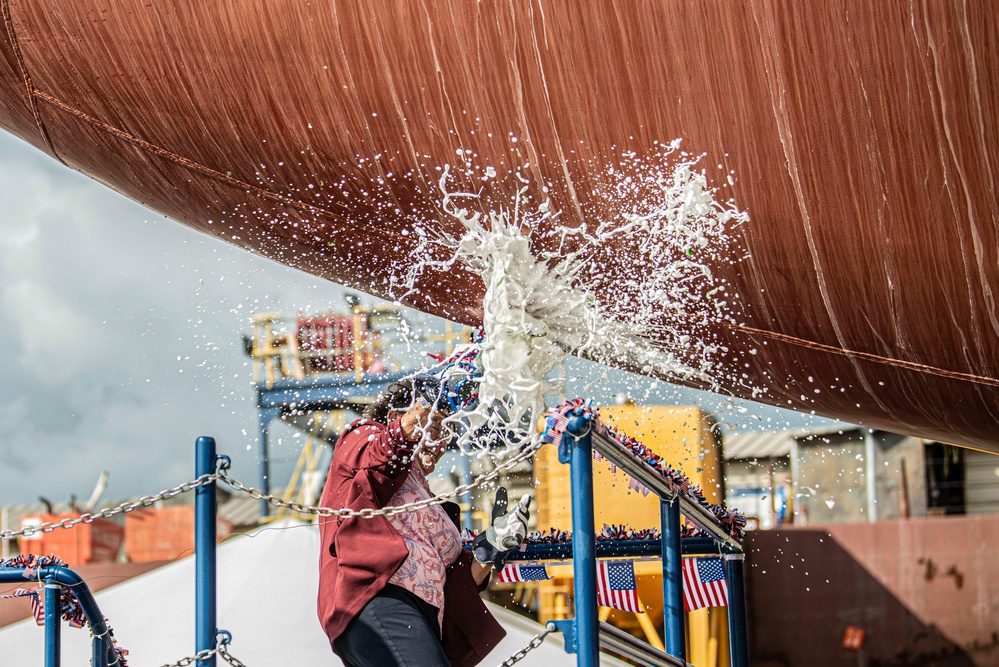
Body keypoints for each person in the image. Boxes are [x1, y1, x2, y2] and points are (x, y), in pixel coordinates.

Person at [317, 378, 532, 667]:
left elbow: (454, 579)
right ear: (398, 416)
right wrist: (416, 417)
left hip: (423, 614)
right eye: (435, 427)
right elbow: (378, 457)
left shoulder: (425, 496)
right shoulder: (365, 436)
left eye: (447, 432)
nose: (441, 442)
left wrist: (491, 546)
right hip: (379, 598)